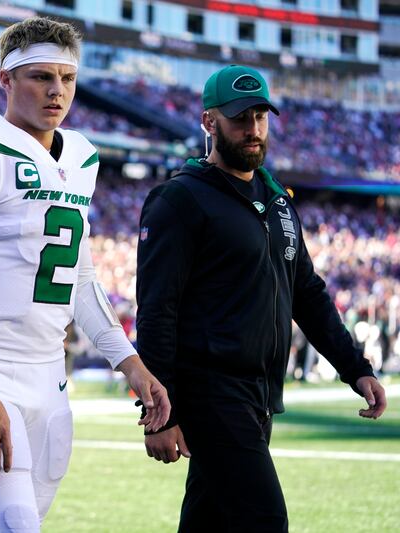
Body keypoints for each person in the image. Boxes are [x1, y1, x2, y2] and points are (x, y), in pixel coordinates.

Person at [0, 16, 169, 532]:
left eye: (67, 78)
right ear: (6, 79)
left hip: (50, 380)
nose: (57, 91)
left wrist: (130, 362)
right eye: (40, 76)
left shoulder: (80, 156)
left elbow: (80, 276)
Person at [135, 64, 387, 532]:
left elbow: (306, 294)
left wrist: (356, 368)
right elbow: (156, 310)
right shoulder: (179, 199)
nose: (253, 129)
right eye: (239, 118)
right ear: (209, 122)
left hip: (261, 392)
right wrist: (157, 413)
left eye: (260, 116)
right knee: (264, 521)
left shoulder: (276, 200)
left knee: (208, 522)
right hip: (210, 391)